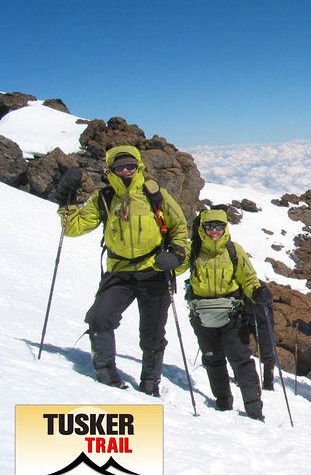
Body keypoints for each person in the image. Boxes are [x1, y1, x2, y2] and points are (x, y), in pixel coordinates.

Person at [55, 145, 188, 395]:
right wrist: (66, 201)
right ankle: (107, 378)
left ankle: (150, 384)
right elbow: (73, 228)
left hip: (153, 272)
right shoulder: (105, 198)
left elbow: (179, 228)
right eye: (120, 167)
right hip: (119, 272)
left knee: (152, 333)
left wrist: (177, 254)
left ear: (139, 167)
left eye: (131, 166)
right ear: (110, 170)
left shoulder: (154, 194)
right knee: (99, 318)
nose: (126, 171)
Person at [176, 207, 271, 421]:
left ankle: (254, 409)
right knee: (213, 359)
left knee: (240, 359)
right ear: (202, 228)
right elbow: (177, 267)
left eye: (219, 226)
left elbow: (248, 278)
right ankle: (223, 403)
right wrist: (169, 261)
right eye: (209, 227)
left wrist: (256, 291)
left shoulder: (233, 250)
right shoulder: (194, 250)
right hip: (202, 316)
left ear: (225, 228)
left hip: (231, 315)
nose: (214, 231)